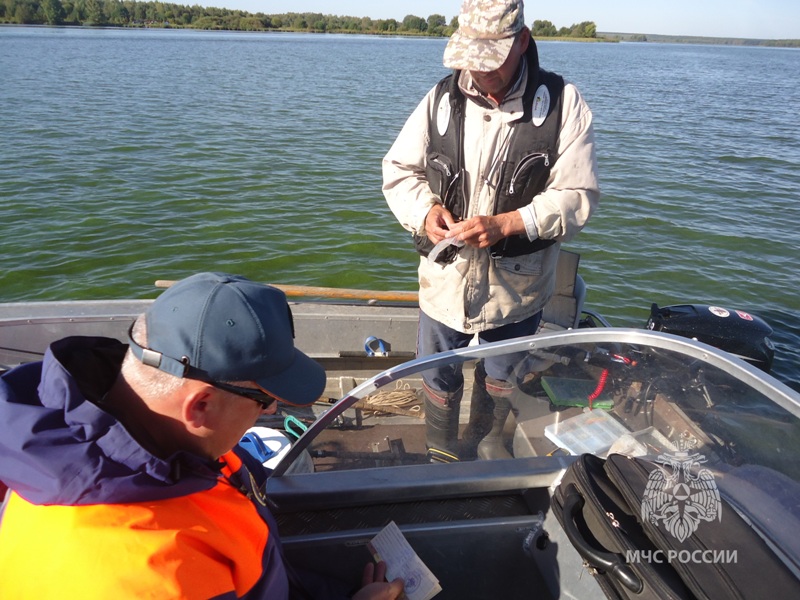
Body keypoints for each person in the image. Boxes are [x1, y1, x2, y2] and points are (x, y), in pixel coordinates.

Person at [0, 272, 404, 600]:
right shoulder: (147, 576)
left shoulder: (174, 447)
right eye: (263, 398)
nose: (274, 411)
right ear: (200, 407)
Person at [382, 0, 600, 462]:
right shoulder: (440, 99)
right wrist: (426, 212)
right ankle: (442, 453)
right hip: (443, 284)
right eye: (471, 58)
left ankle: (484, 441)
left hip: (517, 288)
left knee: (501, 375)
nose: (480, 72)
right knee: (437, 375)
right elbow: (399, 171)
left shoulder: (564, 103)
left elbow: (578, 196)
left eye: (493, 59)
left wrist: (509, 223)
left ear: (522, 41)